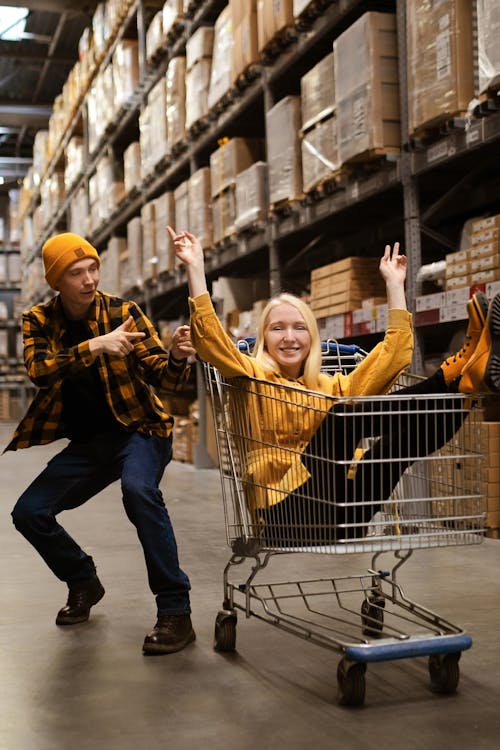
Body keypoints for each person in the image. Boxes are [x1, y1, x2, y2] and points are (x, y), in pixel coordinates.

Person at [167, 225, 500, 545]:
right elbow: (210, 341)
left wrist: (395, 286)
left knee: (395, 449)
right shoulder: (248, 374)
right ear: (264, 338)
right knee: (343, 419)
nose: (289, 337)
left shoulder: (329, 386)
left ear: (312, 337)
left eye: (299, 327)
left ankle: (465, 389)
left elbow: (392, 360)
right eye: (277, 328)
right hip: (282, 517)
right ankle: (452, 377)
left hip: (343, 517)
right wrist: (195, 268)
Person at [6, 232, 197, 655]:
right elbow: (39, 369)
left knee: (139, 491)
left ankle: (176, 612)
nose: (89, 279)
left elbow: (163, 378)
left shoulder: (122, 312)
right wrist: (94, 346)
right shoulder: (39, 320)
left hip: (141, 431)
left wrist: (178, 356)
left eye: (93, 268)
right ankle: (83, 580)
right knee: (29, 513)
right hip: (92, 444)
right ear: (57, 280)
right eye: (76, 273)